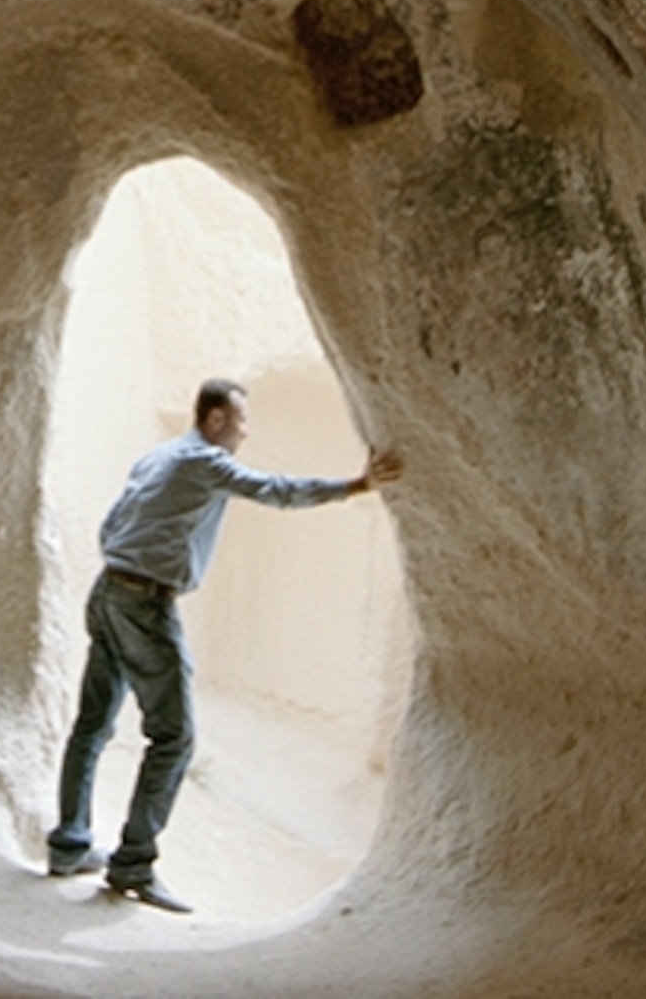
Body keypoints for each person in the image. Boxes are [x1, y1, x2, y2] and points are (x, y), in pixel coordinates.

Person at [46, 377, 402, 914]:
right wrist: (356, 485)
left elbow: (112, 522)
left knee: (93, 722)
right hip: (144, 605)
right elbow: (276, 491)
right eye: (241, 419)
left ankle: (69, 846)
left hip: (108, 590)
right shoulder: (207, 463)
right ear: (215, 421)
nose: (246, 429)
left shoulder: (161, 456)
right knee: (173, 739)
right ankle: (133, 866)